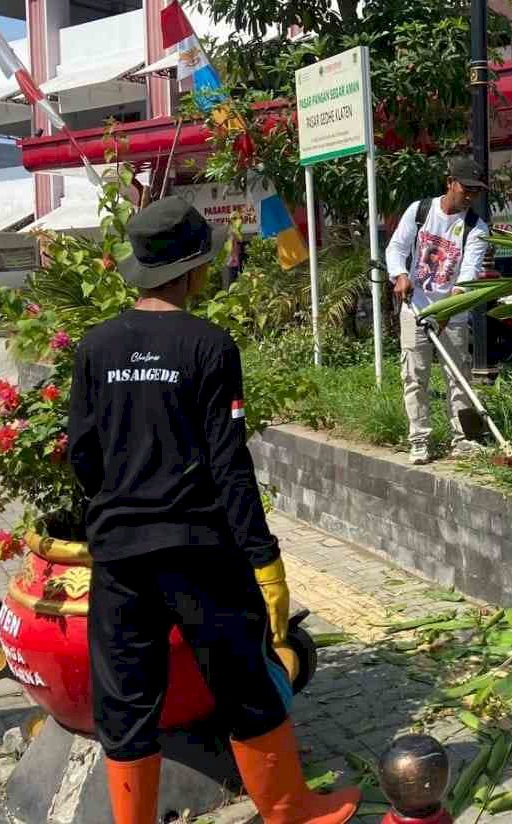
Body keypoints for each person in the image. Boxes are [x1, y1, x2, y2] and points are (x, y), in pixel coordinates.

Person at [68, 196, 361, 824]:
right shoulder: (209, 345)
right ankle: (290, 810)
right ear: (195, 270)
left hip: (119, 555)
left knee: (125, 698)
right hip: (201, 549)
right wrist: (266, 559)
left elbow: (84, 455)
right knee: (243, 679)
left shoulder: (96, 347)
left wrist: (122, 503)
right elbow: (229, 464)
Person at [385, 157, 490, 464]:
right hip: (414, 309)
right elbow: (397, 248)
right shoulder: (419, 212)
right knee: (415, 377)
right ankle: (419, 439)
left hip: (453, 314)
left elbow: (468, 275)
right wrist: (400, 275)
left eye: (476, 191)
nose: (470, 196)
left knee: (459, 378)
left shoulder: (476, 229)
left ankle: (462, 439)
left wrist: (447, 309)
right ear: (450, 183)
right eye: (466, 188)